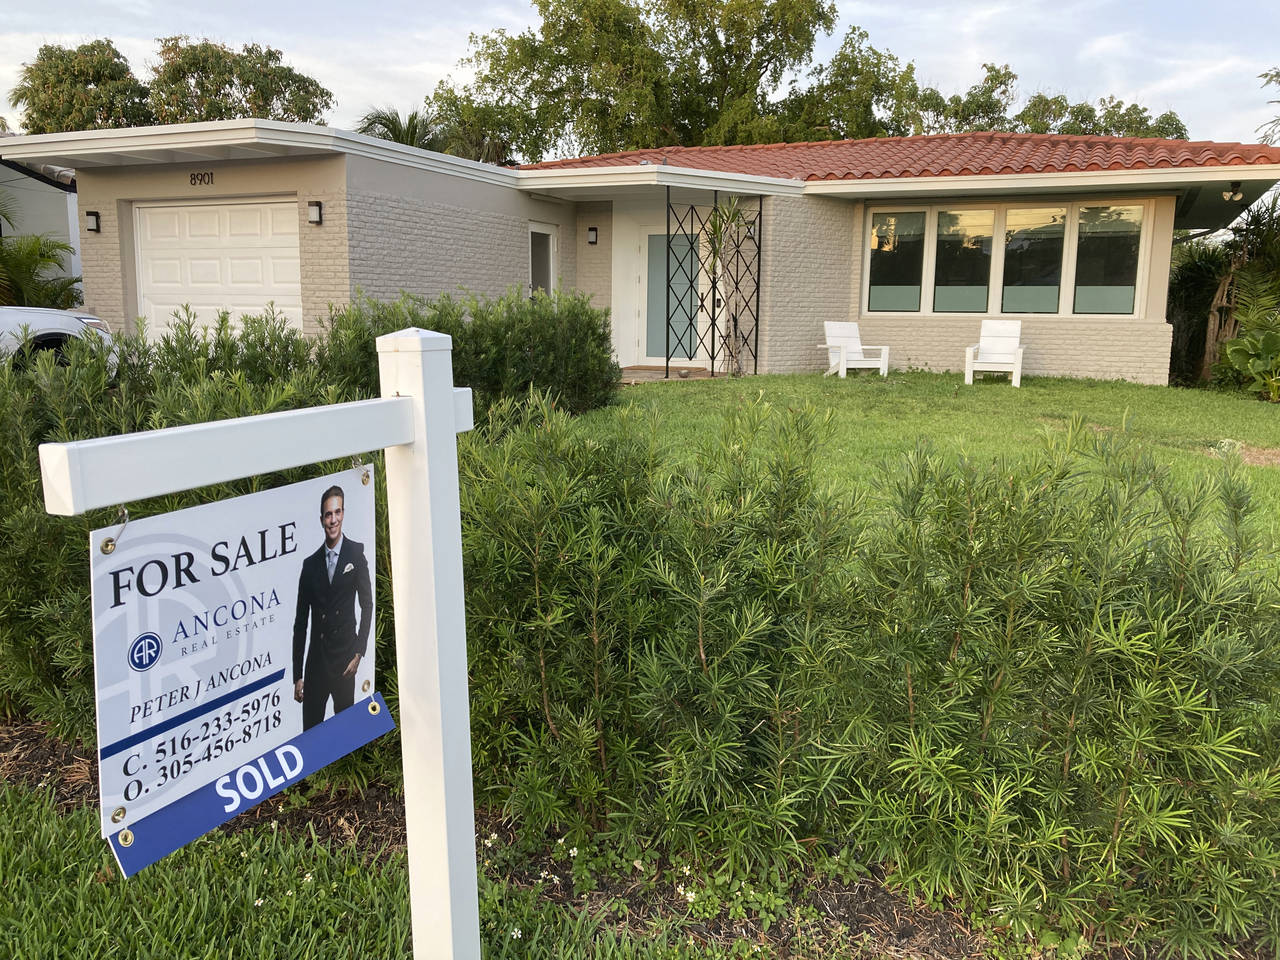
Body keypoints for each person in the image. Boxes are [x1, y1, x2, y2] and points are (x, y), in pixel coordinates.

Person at [292, 485, 372, 730]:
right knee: (311, 737)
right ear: (321, 519)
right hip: (316, 663)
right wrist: (298, 676)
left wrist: (359, 653)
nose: (333, 519)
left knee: (346, 733)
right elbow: (301, 624)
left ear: (343, 513)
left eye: (337, 512)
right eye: (328, 514)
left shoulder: (355, 553)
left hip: (345, 661)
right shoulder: (310, 565)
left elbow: (367, 605)